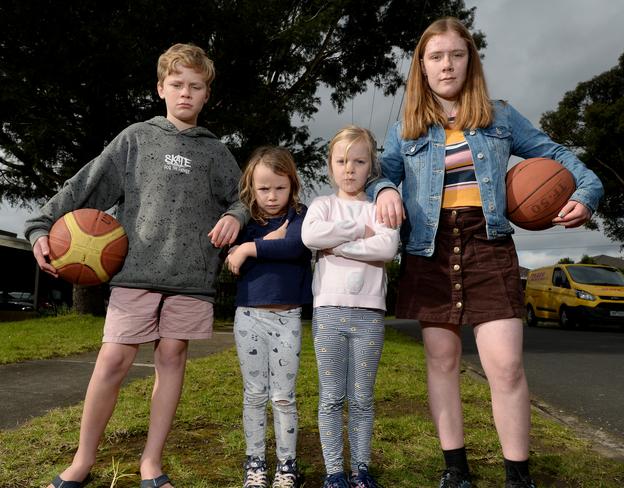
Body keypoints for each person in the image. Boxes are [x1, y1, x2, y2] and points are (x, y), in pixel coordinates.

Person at [367, 17, 604, 488]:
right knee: (442, 362)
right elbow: (380, 173)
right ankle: (455, 471)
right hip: (429, 248)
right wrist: (384, 189)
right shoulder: (406, 128)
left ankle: (518, 476)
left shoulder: (500, 116)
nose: (447, 64)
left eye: (456, 54)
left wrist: (587, 192)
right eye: (435, 57)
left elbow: (558, 156)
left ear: (470, 61)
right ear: (422, 66)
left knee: (507, 365)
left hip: (488, 244)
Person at [25, 43, 246, 488]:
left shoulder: (216, 152)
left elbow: (244, 197)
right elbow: (85, 183)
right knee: (112, 361)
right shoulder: (136, 138)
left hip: (190, 280)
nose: (186, 93)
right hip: (135, 275)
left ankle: (151, 461)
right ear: (161, 88)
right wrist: (39, 225)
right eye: (177, 84)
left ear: (207, 95)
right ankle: (82, 460)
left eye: (196, 86)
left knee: (171, 357)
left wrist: (234, 215)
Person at [302, 126, 400, 488]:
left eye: (359, 161)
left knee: (362, 398)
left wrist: (337, 243)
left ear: (371, 165)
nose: (349, 168)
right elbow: (311, 237)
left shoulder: (381, 208)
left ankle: (361, 469)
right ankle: (334, 473)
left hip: (369, 315)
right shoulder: (321, 205)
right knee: (331, 397)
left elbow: (387, 249)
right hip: (328, 313)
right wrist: (359, 232)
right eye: (342, 161)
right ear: (330, 165)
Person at [225, 146, 312, 488]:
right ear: (251, 187)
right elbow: (229, 258)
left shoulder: (302, 215)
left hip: (287, 318)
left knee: (284, 395)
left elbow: (295, 247)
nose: (272, 196)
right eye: (264, 189)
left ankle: (287, 465)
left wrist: (251, 249)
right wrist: (252, 245)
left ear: (292, 184)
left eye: (280, 187)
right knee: (254, 394)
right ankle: (255, 463)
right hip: (248, 317)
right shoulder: (245, 220)